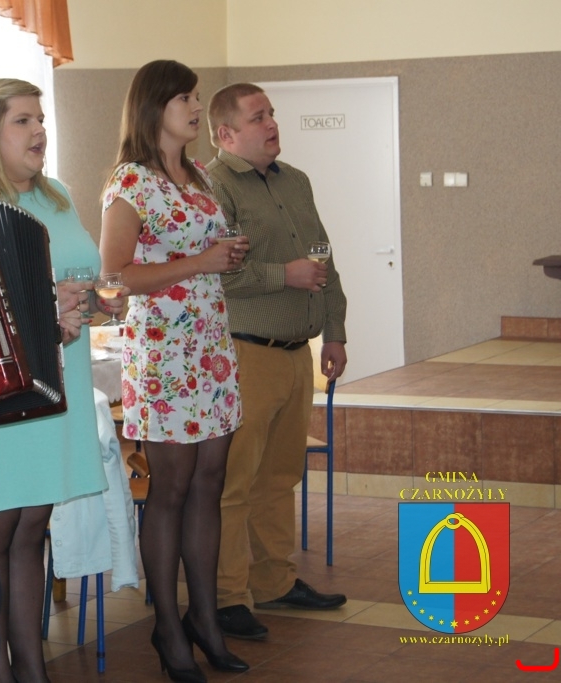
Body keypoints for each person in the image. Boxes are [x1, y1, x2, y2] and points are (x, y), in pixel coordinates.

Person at [0, 78, 125, 683]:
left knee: (32, 532)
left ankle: (33, 668)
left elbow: (85, 278)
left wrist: (94, 301)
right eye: (22, 120)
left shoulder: (57, 193)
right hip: (2, 398)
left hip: (59, 384)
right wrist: (47, 302)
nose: (39, 130)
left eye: (40, 119)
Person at [99, 60, 249, 682]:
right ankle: (167, 628)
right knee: (172, 490)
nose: (195, 107)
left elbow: (202, 254)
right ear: (154, 106)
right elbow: (113, 279)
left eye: (196, 97)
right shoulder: (130, 182)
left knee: (210, 482)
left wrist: (225, 257)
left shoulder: (199, 175)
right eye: (185, 98)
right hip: (163, 354)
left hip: (210, 348)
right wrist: (201, 262)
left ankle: (204, 618)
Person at [205, 82, 348, 642]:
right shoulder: (213, 187)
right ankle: (227, 596)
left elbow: (323, 256)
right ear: (226, 134)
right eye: (257, 117)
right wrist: (283, 275)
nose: (271, 124)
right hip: (244, 353)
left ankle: (274, 581)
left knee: (280, 476)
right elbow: (216, 272)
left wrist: (334, 331)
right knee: (234, 483)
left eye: (272, 114)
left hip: (296, 355)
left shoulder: (296, 181)